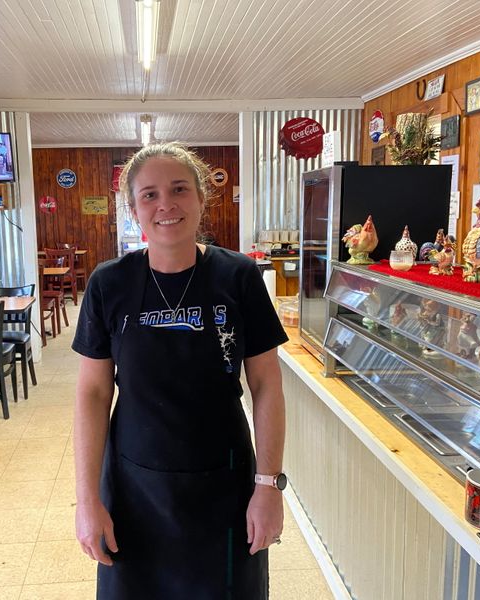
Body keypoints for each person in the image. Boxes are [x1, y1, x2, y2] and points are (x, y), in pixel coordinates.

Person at [72, 142, 288, 599]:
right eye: (149, 194)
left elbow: (267, 385)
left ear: (201, 198)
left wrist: (269, 486)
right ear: (133, 209)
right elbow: (92, 394)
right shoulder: (109, 284)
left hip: (225, 485)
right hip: (134, 487)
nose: (165, 204)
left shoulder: (239, 277)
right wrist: (87, 500)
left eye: (178, 189)